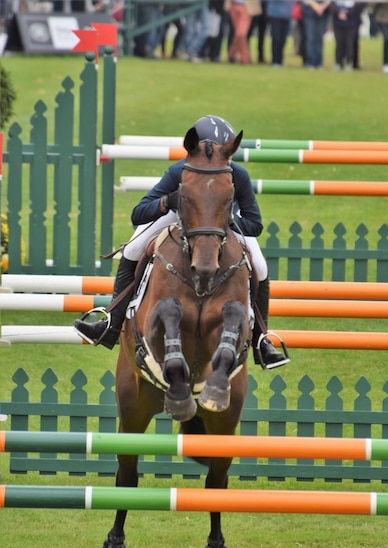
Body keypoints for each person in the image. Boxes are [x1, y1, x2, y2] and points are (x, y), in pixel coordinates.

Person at [74, 115, 289, 370]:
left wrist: (224, 220)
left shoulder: (237, 175)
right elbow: (138, 212)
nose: (223, 161)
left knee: (261, 267)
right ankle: (111, 320)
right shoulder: (178, 171)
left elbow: (255, 223)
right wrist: (167, 202)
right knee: (132, 248)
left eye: (226, 156)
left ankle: (261, 339)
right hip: (179, 216)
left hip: (223, 225)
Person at [329, 1, 364, 70]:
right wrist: (338, 13)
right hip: (338, 23)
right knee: (339, 43)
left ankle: (348, 63)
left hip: (351, 23)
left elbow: (358, 5)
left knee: (349, 43)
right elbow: (332, 4)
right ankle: (338, 63)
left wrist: (347, 14)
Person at [302, 0, 331, 69]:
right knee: (311, 38)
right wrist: (317, 7)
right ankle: (311, 62)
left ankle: (319, 63)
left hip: (323, 13)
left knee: (319, 38)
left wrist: (322, 7)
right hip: (310, 13)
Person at [266, 0, 293, 68]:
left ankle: (280, 60)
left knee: (283, 39)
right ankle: (275, 61)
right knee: (276, 38)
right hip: (275, 15)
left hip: (286, 15)